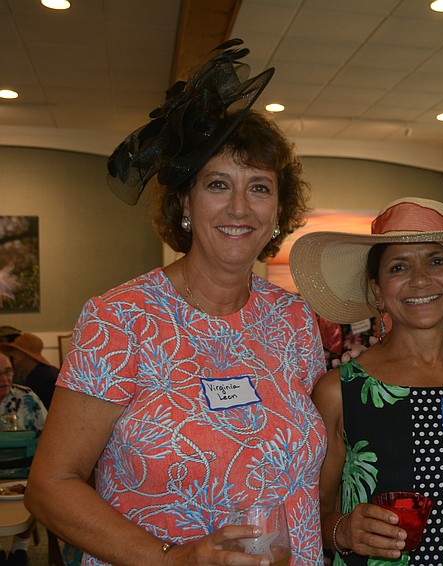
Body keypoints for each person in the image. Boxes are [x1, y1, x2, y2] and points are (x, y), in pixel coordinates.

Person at [24, 39, 327, 566]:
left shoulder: (294, 319)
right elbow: (50, 486)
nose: (239, 207)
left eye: (259, 187)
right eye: (217, 184)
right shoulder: (120, 320)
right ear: (185, 202)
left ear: (278, 209)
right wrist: (171, 558)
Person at [289, 197, 443, 565]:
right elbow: (306, 516)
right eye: (399, 266)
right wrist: (344, 530)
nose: (420, 278)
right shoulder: (340, 391)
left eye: (436, 260)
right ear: (377, 290)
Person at [0, 351, 47, 565]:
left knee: (40, 488)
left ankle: (20, 548)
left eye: (8, 372)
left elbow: (49, 436)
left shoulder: (27, 397)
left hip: (25, 475)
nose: (4, 379)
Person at [0, 332, 60, 409]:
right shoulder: (44, 372)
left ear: (23, 355)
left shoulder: (40, 378)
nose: (13, 357)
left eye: (15, 352)